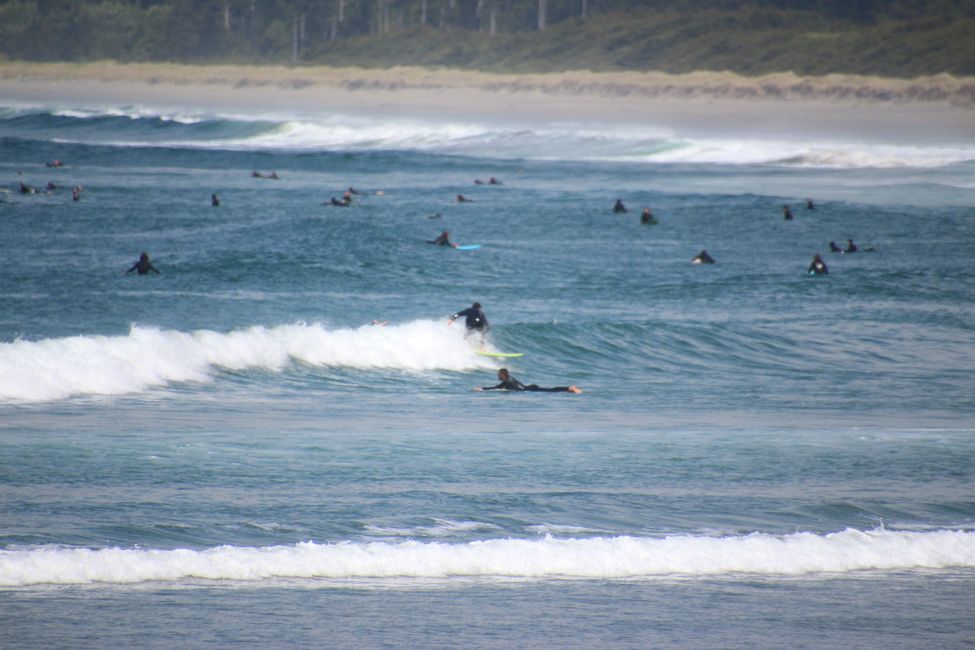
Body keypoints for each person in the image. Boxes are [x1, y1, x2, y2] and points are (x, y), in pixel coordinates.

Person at [475, 368, 582, 394]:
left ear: (502, 375)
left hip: (530, 390)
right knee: (550, 390)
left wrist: (482, 389)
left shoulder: (506, 382)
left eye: (498, 375)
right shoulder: (511, 378)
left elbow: (496, 388)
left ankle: (569, 388)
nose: (497, 376)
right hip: (530, 387)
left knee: (550, 391)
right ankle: (568, 389)